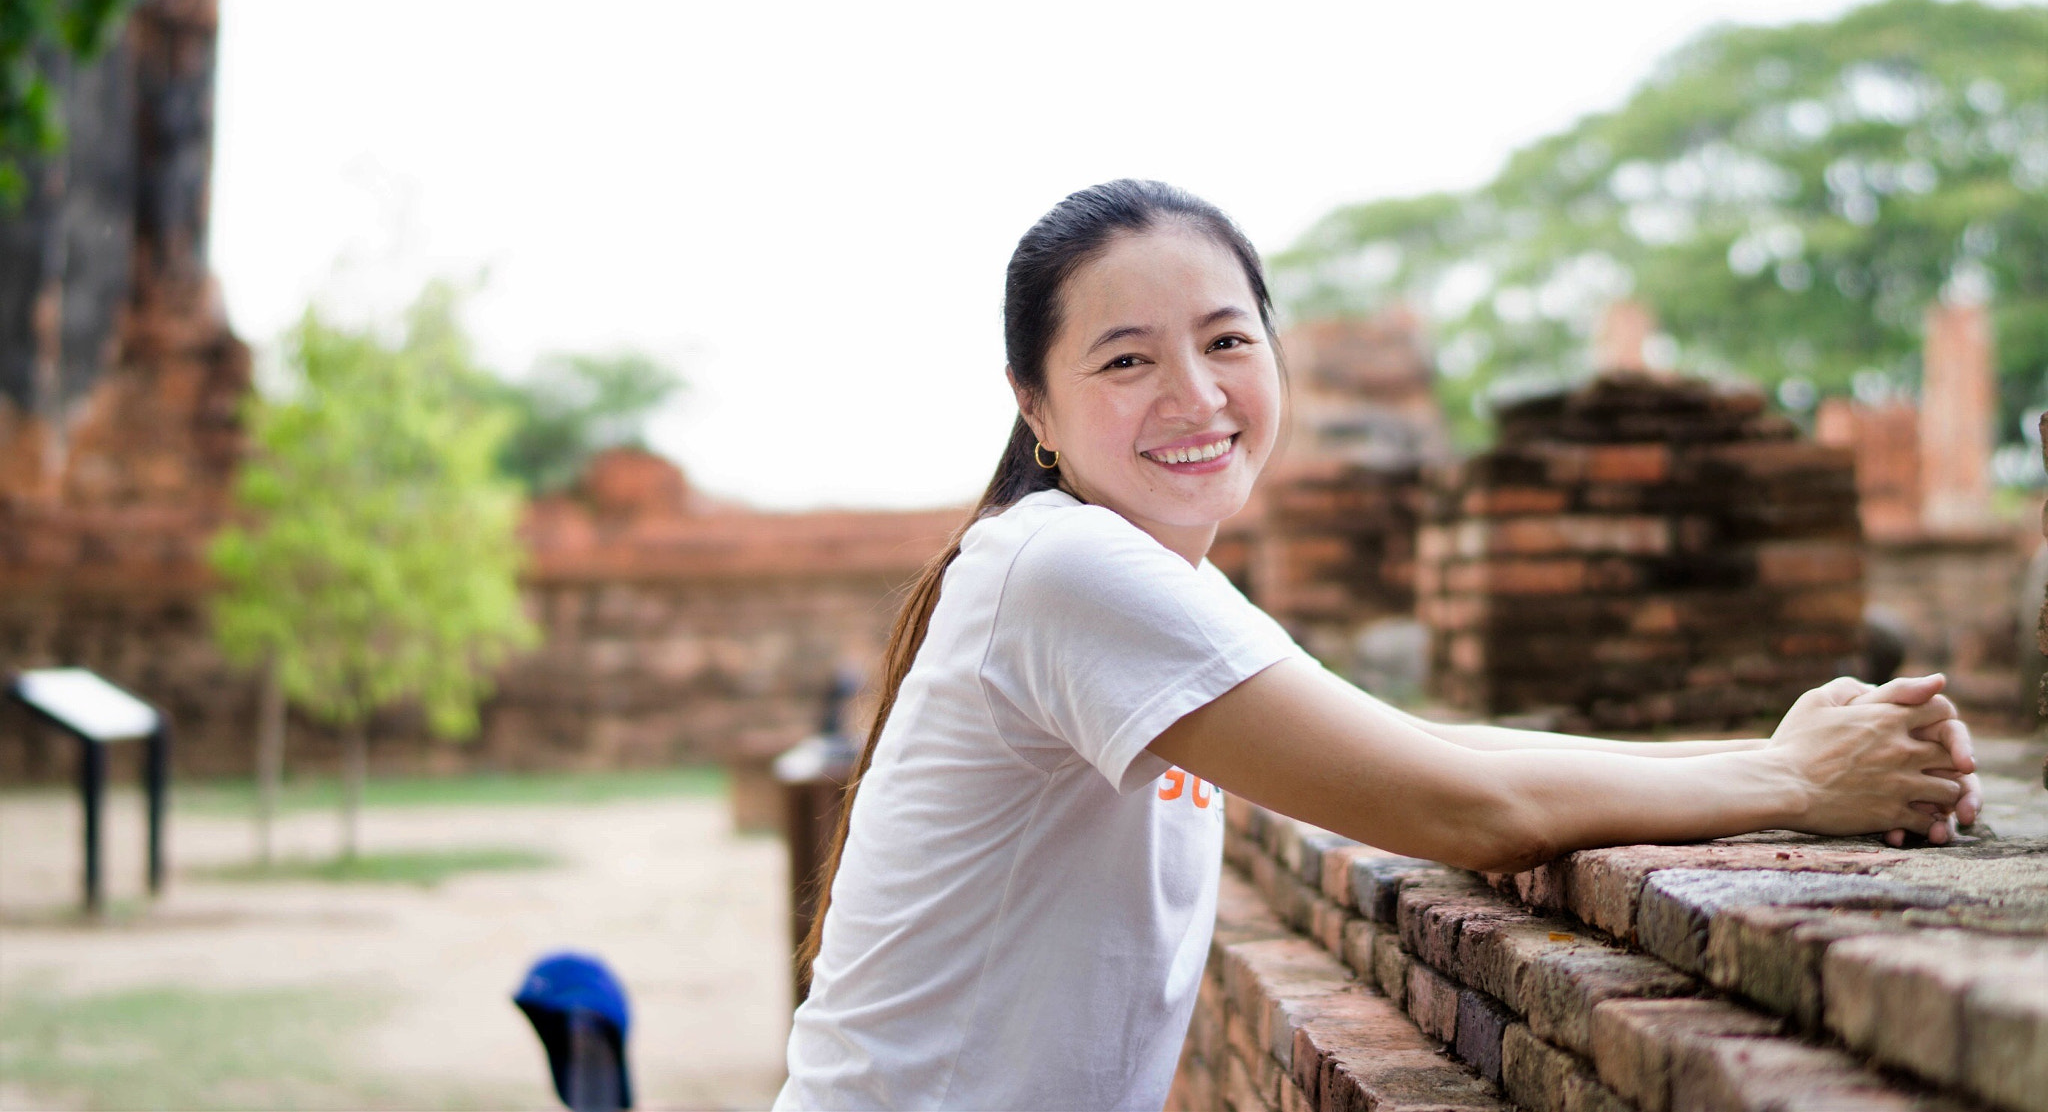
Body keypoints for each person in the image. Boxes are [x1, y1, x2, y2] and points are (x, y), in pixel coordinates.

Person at [773, 179, 1981, 1111]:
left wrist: (1776, 748)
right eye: (1126, 358)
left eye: (1226, 340)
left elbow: (1411, 748)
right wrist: (1792, 782)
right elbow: (1455, 805)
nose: (1194, 393)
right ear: (1032, 403)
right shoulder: (1064, 567)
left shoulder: (1132, 574)